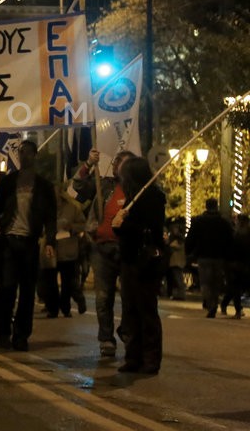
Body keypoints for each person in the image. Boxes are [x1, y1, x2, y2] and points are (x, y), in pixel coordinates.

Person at [0, 140, 56, 352]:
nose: (24, 156)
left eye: (28, 153)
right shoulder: (9, 183)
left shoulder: (44, 186)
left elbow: (50, 217)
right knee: (7, 288)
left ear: (35, 155)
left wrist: (50, 242)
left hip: (29, 243)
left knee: (27, 292)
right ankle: (3, 332)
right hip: (10, 242)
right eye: (21, 152)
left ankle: (21, 335)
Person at [72, 148, 135, 357]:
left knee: (129, 296)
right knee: (103, 297)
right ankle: (106, 338)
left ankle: (127, 330)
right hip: (102, 248)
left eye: (123, 163)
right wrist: (89, 163)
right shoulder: (103, 185)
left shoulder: (139, 189)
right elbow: (77, 186)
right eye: (117, 162)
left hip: (127, 249)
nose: (118, 166)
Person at [112, 157, 166, 374]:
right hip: (129, 260)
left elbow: (150, 229)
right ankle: (133, 356)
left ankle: (150, 358)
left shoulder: (153, 197)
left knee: (146, 310)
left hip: (145, 261)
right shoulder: (132, 197)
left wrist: (124, 223)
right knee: (130, 309)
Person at [186, 198, 234, 318]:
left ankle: (210, 303)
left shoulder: (199, 221)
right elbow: (230, 239)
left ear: (206, 206)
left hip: (203, 255)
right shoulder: (223, 222)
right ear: (216, 206)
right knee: (216, 282)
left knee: (205, 282)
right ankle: (214, 300)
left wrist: (189, 252)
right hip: (219, 256)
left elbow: (191, 238)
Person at [42, 189, 87, 318]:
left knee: (67, 282)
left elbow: (83, 224)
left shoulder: (72, 208)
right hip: (51, 250)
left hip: (68, 249)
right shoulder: (45, 208)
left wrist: (72, 227)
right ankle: (52, 309)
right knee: (50, 282)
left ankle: (65, 307)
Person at [221, 213, 250, 318]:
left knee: (235, 287)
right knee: (237, 287)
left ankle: (228, 305)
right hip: (239, 264)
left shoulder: (235, 234)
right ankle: (236, 308)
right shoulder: (238, 234)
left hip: (237, 264)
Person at [165, 216, 188, 300]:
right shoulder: (179, 239)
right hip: (177, 261)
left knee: (178, 278)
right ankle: (179, 294)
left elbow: (172, 245)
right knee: (177, 278)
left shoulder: (178, 239)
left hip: (176, 261)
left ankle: (181, 294)